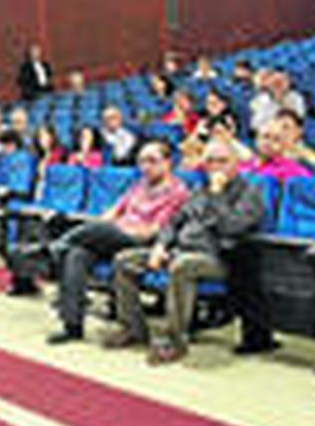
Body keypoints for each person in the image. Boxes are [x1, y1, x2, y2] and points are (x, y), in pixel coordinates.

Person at [108, 141, 266, 365]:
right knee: (124, 261)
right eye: (210, 161)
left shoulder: (250, 192)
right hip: (179, 250)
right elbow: (174, 222)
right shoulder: (198, 191)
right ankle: (133, 328)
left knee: (182, 266)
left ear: (236, 164)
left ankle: (175, 341)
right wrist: (160, 246)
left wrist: (217, 194)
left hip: (217, 257)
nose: (216, 166)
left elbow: (231, 227)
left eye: (222, 161)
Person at [43, 141, 188, 344]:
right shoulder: (139, 185)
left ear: (168, 163)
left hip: (142, 242)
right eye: (142, 162)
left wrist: (116, 229)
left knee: (97, 232)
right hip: (114, 236)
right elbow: (114, 211)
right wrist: (101, 228)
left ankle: (53, 249)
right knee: (77, 254)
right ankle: (72, 325)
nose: (146, 166)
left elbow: (157, 229)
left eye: (152, 161)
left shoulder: (177, 192)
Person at [242, 116, 312, 182]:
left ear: (283, 146)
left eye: (276, 140)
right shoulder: (243, 166)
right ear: (257, 139)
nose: (269, 142)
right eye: (266, 136)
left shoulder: (292, 170)